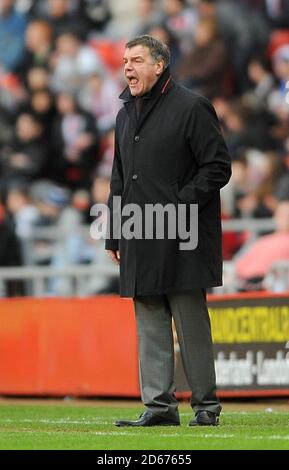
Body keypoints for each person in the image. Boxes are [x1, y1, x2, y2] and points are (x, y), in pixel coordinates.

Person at [105, 35, 231, 427]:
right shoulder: (124, 115)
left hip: (182, 235)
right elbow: (119, 178)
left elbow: (217, 167)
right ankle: (159, 407)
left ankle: (206, 407)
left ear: (159, 65)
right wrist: (114, 232)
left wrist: (179, 204)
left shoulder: (192, 106)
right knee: (149, 319)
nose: (128, 67)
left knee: (189, 320)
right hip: (139, 233)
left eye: (137, 60)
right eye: (125, 60)